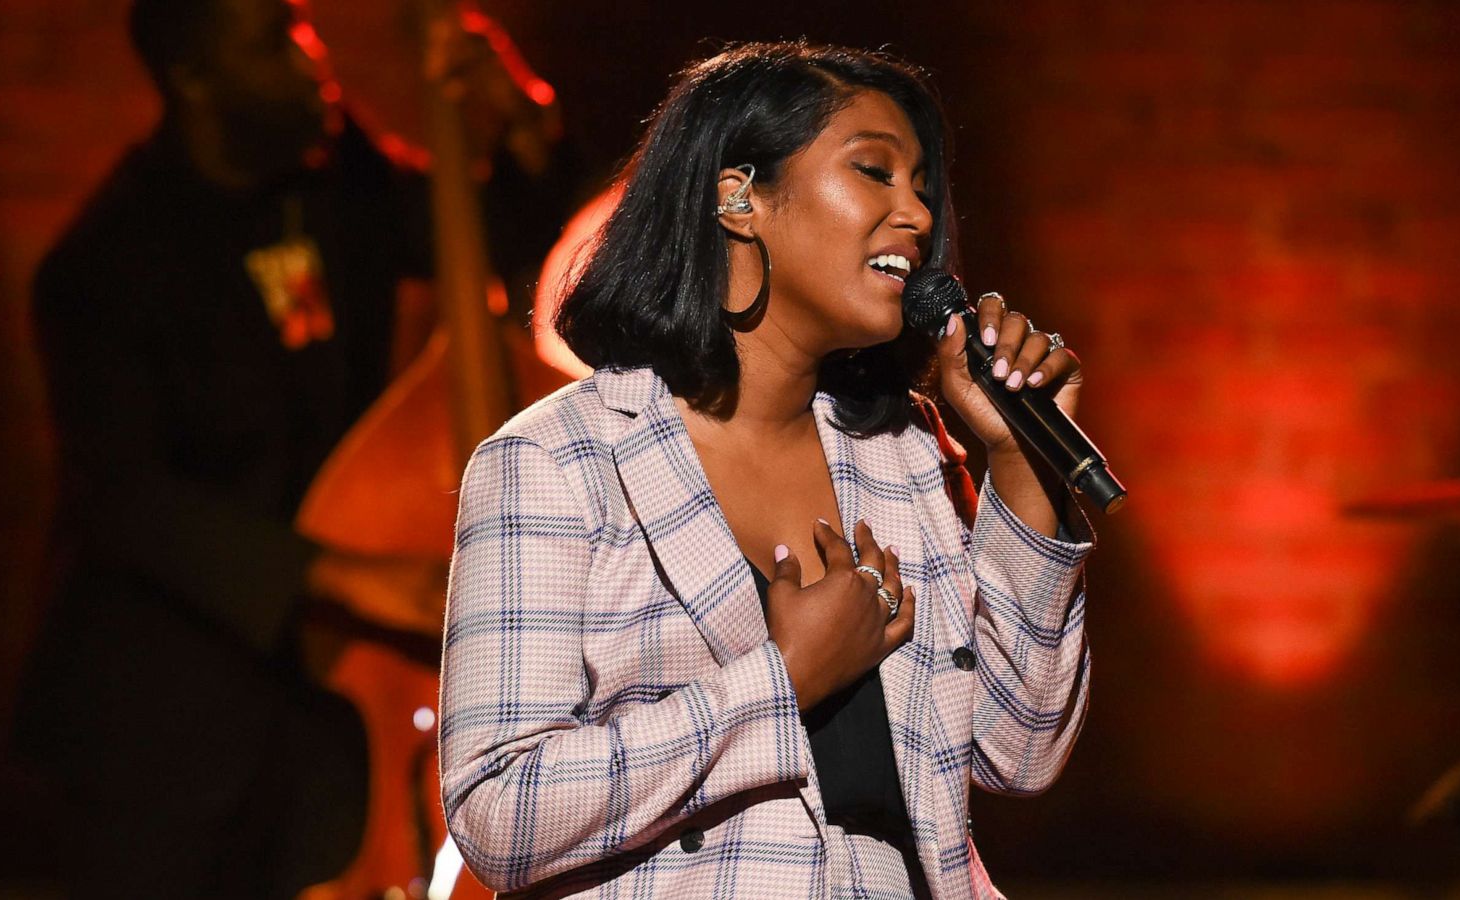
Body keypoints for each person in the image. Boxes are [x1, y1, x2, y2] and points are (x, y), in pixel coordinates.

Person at [439, 41, 1094, 899]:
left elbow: (1020, 751)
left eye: (924, 188)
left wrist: (1017, 468)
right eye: (875, 172)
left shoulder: (904, 453)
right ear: (739, 197)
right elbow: (501, 814)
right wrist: (781, 680)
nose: (919, 216)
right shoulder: (558, 463)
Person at [13, 0, 575, 895]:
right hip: (155, 718)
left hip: (317, 710)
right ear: (193, 78)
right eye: (270, 40)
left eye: (301, 27)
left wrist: (521, 114)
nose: (311, 60)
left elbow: (490, 231)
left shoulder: (331, 173)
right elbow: (125, 497)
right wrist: (348, 572)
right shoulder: (102, 263)